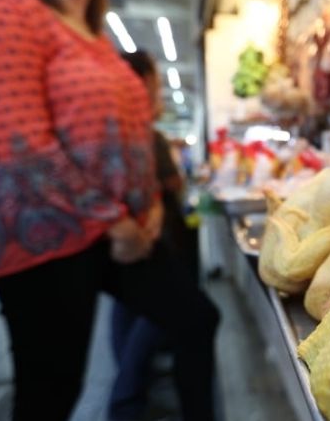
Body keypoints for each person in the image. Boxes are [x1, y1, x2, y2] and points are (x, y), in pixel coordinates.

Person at [0, 0, 219, 420]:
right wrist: (113, 221)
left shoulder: (94, 37)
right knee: (51, 392)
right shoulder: (4, 5)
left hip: (121, 227)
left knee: (195, 318)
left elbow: (133, 135)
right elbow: (19, 143)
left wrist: (147, 212)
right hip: (44, 234)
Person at [108, 50, 202, 421]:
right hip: (146, 239)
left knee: (131, 312)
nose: (158, 89)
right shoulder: (143, 132)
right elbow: (168, 185)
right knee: (170, 315)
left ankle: (128, 391)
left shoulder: (125, 129)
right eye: (155, 81)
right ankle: (127, 396)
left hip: (133, 240)